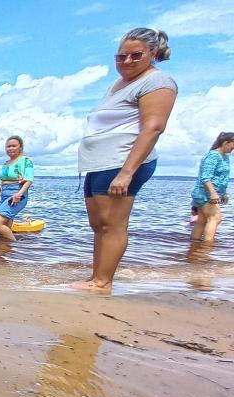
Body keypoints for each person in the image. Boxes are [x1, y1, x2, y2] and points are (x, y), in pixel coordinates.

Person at [73, 27, 177, 292]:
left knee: (112, 224)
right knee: (99, 225)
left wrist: (127, 172)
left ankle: (103, 282)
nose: (127, 61)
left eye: (135, 55)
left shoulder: (158, 81)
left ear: (153, 53)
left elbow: (153, 127)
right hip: (100, 163)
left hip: (122, 162)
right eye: (121, 56)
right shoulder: (118, 84)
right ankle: (96, 277)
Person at [0, 136, 33, 240]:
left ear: (20, 147)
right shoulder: (6, 163)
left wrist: (19, 194)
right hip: (4, 194)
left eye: (14, 146)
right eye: (8, 146)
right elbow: (2, 184)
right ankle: (7, 248)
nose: (10, 148)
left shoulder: (25, 160)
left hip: (16, 193)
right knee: (4, 225)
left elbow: (29, 180)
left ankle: (14, 244)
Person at [191, 132, 234, 242]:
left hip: (211, 193)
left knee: (202, 220)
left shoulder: (225, 157)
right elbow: (206, 177)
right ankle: (207, 247)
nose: (233, 148)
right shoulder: (213, 156)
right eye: (233, 145)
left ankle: (194, 246)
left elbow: (222, 177)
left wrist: (224, 193)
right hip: (204, 194)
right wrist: (213, 193)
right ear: (226, 143)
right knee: (215, 218)